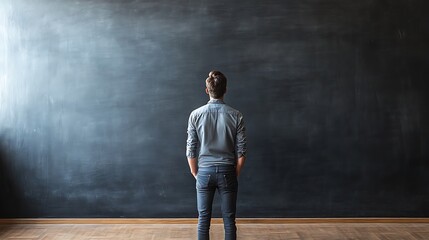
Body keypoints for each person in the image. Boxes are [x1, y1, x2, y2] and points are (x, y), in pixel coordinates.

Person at [186, 70, 247, 240]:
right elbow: (241, 150)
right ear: (225, 90)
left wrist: (195, 172)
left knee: (203, 220)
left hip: (204, 172)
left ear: (207, 90)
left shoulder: (195, 115)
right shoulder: (236, 115)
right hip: (228, 171)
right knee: (229, 220)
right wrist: (236, 172)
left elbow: (191, 148)